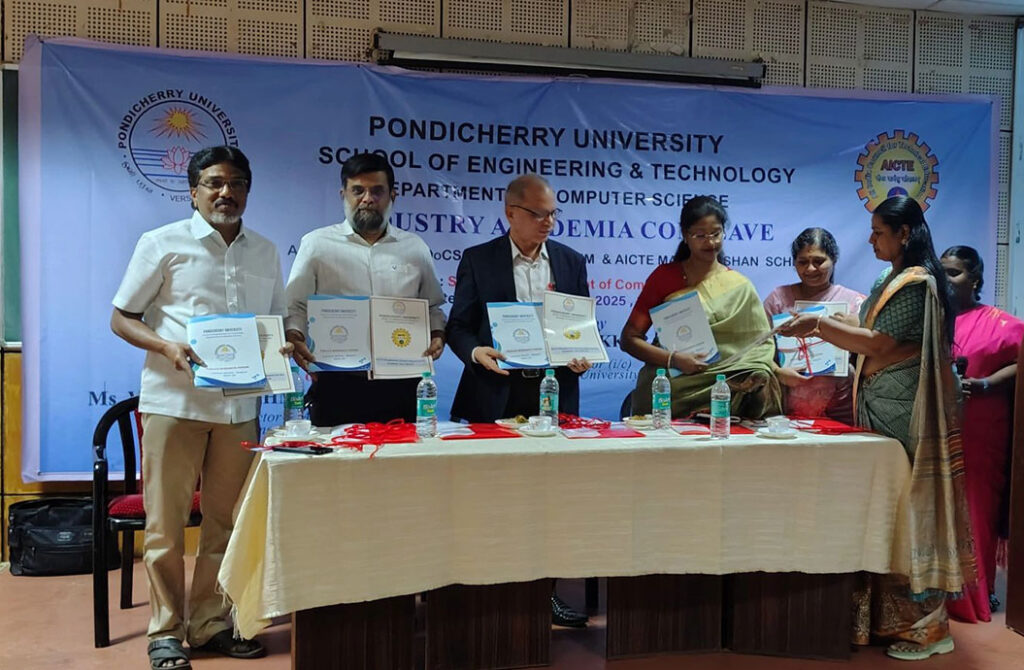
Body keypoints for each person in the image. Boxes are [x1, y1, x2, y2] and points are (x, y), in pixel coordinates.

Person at [779, 196, 974, 660]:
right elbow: (864, 324)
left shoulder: (917, 283)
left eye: (878, 232)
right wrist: (825, 321)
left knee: (910, 512)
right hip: (879, 412)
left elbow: (880, 344)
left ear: (904, 233)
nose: (870, 240)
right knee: (883, 512)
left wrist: (819, 326)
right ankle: (883, 623)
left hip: (907, 416)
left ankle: (928, 629)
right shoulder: (888, 279)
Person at [111, 146, 282, 670]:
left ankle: (209, 624)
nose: (226, 193)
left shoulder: (265, 251)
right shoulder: (161, 243)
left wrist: (288, 343)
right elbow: (121, 317)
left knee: (224, 524)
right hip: (175, 403)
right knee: (165, 527)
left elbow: (273, 323)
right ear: (193, 191)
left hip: (239, 410)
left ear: (248, 191)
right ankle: (164, 631)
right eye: (214, 183)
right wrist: (165, 346)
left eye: (236, 183)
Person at [445, 173, 591, 627]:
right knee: (489, 500)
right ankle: (483, 595)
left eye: (553, 214)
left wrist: (581, 353)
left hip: (552, 392)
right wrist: (476, 352)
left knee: (549, 501)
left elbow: (578, 327)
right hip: (495, 391)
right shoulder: (479, 259)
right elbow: (458, 326)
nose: (548, 222)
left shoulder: (570, 261)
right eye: (538, 214)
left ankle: (545, 595)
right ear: (511, 213)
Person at [285, 152, 446, 426]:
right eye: (358, 191)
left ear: (392, 196)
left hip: (402, 382)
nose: (367, 199)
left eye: (377, 191)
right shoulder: (316, 244)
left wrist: (437, 334)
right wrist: (295, 335)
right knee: (334, 454)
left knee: (402, 454)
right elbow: (295, 305)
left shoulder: (415, 247)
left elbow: (432, 306)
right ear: (343, 195)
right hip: (336, 382)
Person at [620, 196, 782, 418]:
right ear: (685, 235)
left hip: (725, 392)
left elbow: (758, 348)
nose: (710, 242)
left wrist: (776, 372)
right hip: (670, 392)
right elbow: (629, 339)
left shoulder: (739, 286)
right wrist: (673, 360)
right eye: (700, 235)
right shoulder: (664, 278)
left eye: (716, 234)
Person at [940, 246, 1023, 623]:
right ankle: (937, 594)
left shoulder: (1002, 323)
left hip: (981, 430)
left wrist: (987, 383)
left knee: (977, 508)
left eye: (954, 273)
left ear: (974, 279)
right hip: (936, 428)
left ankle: (978, 590)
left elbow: (1021, 362)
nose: (946, 280)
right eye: (942, 271)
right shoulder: (933, 320)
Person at [763, 228, 865, 423]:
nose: (810, 269)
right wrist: (777, 371)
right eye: (802, 262)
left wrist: (857, 326)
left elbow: (871, 350)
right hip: (784, 409)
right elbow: (758, 350)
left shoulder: (854, 302)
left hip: (841, 409)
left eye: (819, 261)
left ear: (833, 260)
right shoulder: (778, 299)